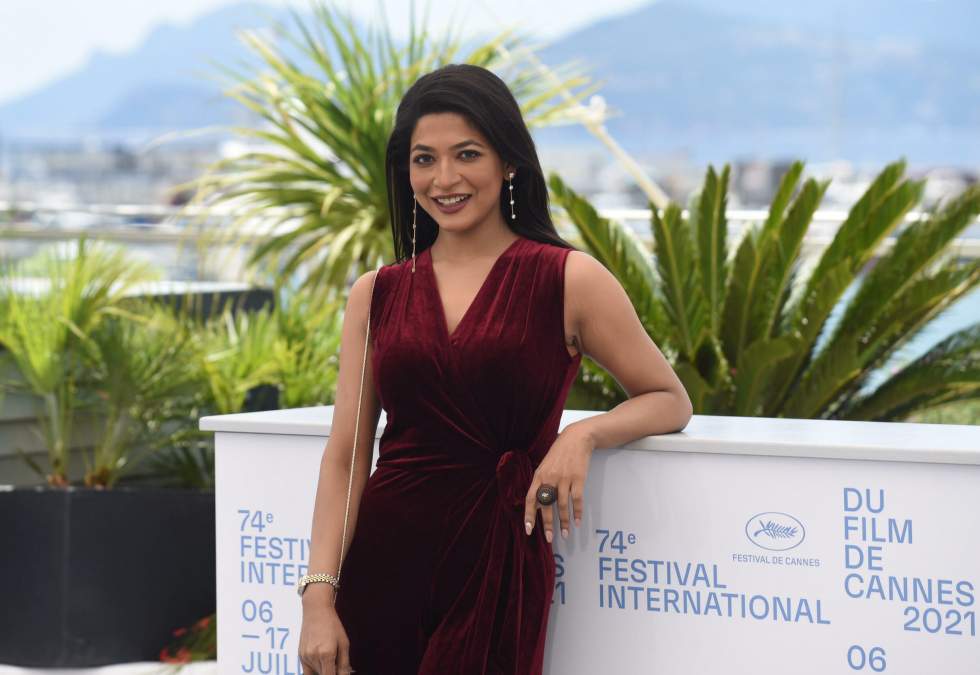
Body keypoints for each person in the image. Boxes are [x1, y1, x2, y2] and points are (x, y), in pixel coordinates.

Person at [297, 63, 693, 675]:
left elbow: (668, 398)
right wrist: (319, 599)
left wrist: (581, 434)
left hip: (499, 565)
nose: (444, 178)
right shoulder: (376, 293)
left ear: (509, 161)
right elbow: (346, 455)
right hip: (383, 565)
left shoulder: (569, 279)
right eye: (424, 159)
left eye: (467, 154)